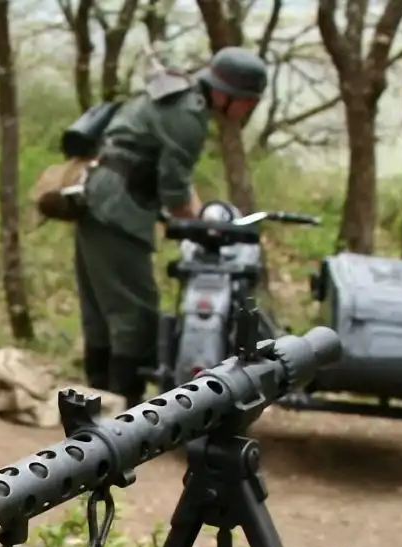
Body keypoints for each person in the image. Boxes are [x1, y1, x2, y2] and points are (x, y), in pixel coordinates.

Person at [75, 46, 268, 403]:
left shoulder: (180, 96)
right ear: (227, 95)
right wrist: (198, 229)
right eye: (248, 101)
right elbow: (175, 188)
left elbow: (177, 181)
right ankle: (123, 406)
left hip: (98, 198)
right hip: (119, 208)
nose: (248, 109)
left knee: (102, 311)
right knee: (136, 312)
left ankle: (98, 400)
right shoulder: (189, 116)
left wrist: (197, 217)